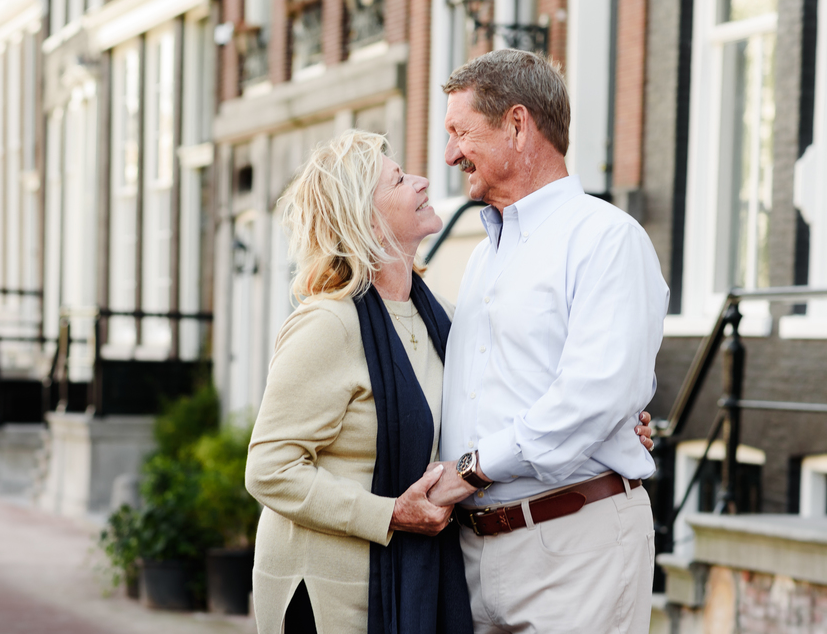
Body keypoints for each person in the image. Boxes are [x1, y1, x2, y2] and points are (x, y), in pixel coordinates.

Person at [244, 130, 656, 634]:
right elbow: (268, 468)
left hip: (407, 587)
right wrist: (389, 513)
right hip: (329, 592)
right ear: (365, 218)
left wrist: (613, 422)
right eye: (398, 180)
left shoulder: (439, 318)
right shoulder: (327, 325)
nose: (422, 182)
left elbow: (498, 392)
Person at [426, 49, 669, 634]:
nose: (450, 154)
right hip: (475, 554)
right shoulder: (485, 253)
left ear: (516, 124)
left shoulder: (606, 238)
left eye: (461, 132)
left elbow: (594, 394)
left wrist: (472, 469)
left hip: (575, 547)